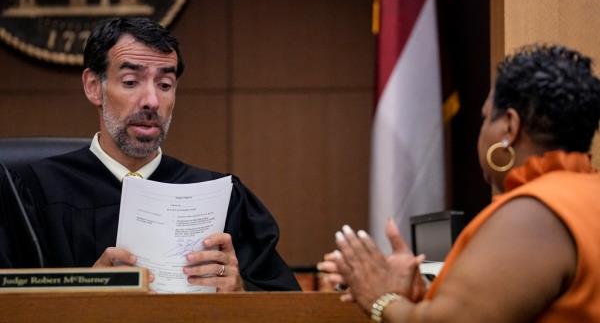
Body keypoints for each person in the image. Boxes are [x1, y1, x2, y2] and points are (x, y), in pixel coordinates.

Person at [0, 17, 300, 292]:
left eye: (165, 84)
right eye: (131, 82)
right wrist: (83, 297)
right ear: (94, 87)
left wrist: (241, 293)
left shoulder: (222, 197)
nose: (152, 101)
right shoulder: (29, 192)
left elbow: (287, 305)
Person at [318, 44, 600, 321]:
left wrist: (380, 297)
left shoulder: (535, 213)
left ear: (509, 127)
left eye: (486, 117)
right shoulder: (585, 195)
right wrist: (424, 296)